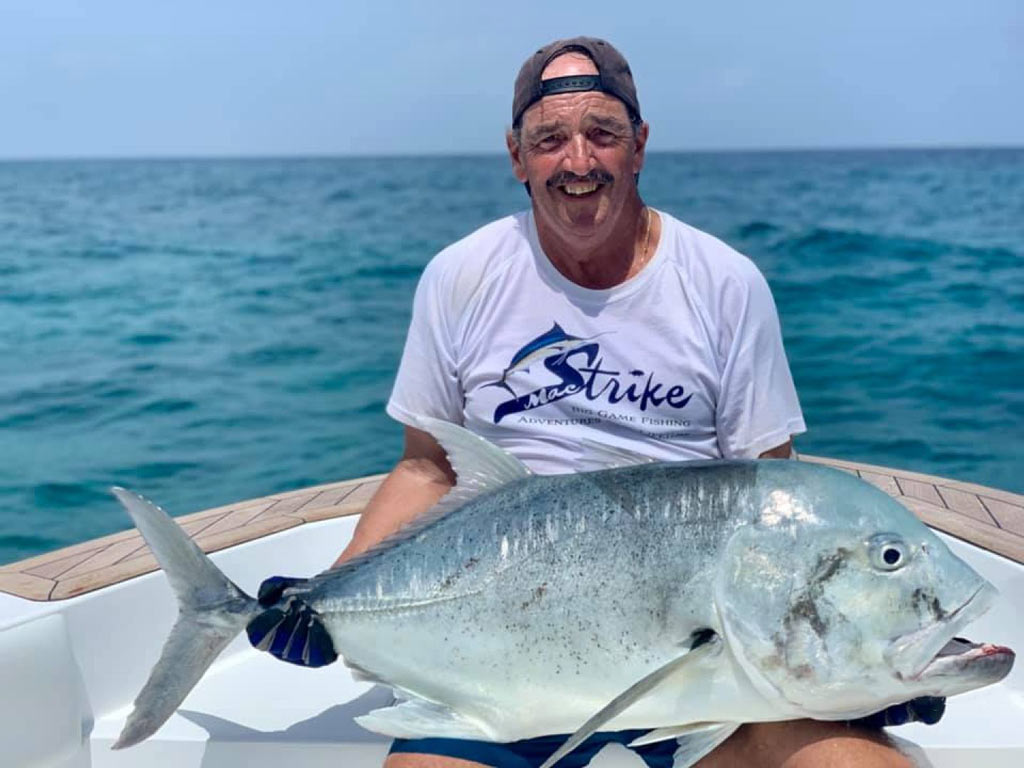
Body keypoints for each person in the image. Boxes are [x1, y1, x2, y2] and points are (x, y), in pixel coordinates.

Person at [254, 37, 942, 768]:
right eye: (550, 140)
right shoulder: (461, 277)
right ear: (517, 157)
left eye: (602, 135)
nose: (577, 162)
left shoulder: (722, 284)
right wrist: (326, 595)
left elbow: (769, 500)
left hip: (696, 664)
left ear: (639, 146)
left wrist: (859, 659)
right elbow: (426, 471)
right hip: (499, 655)